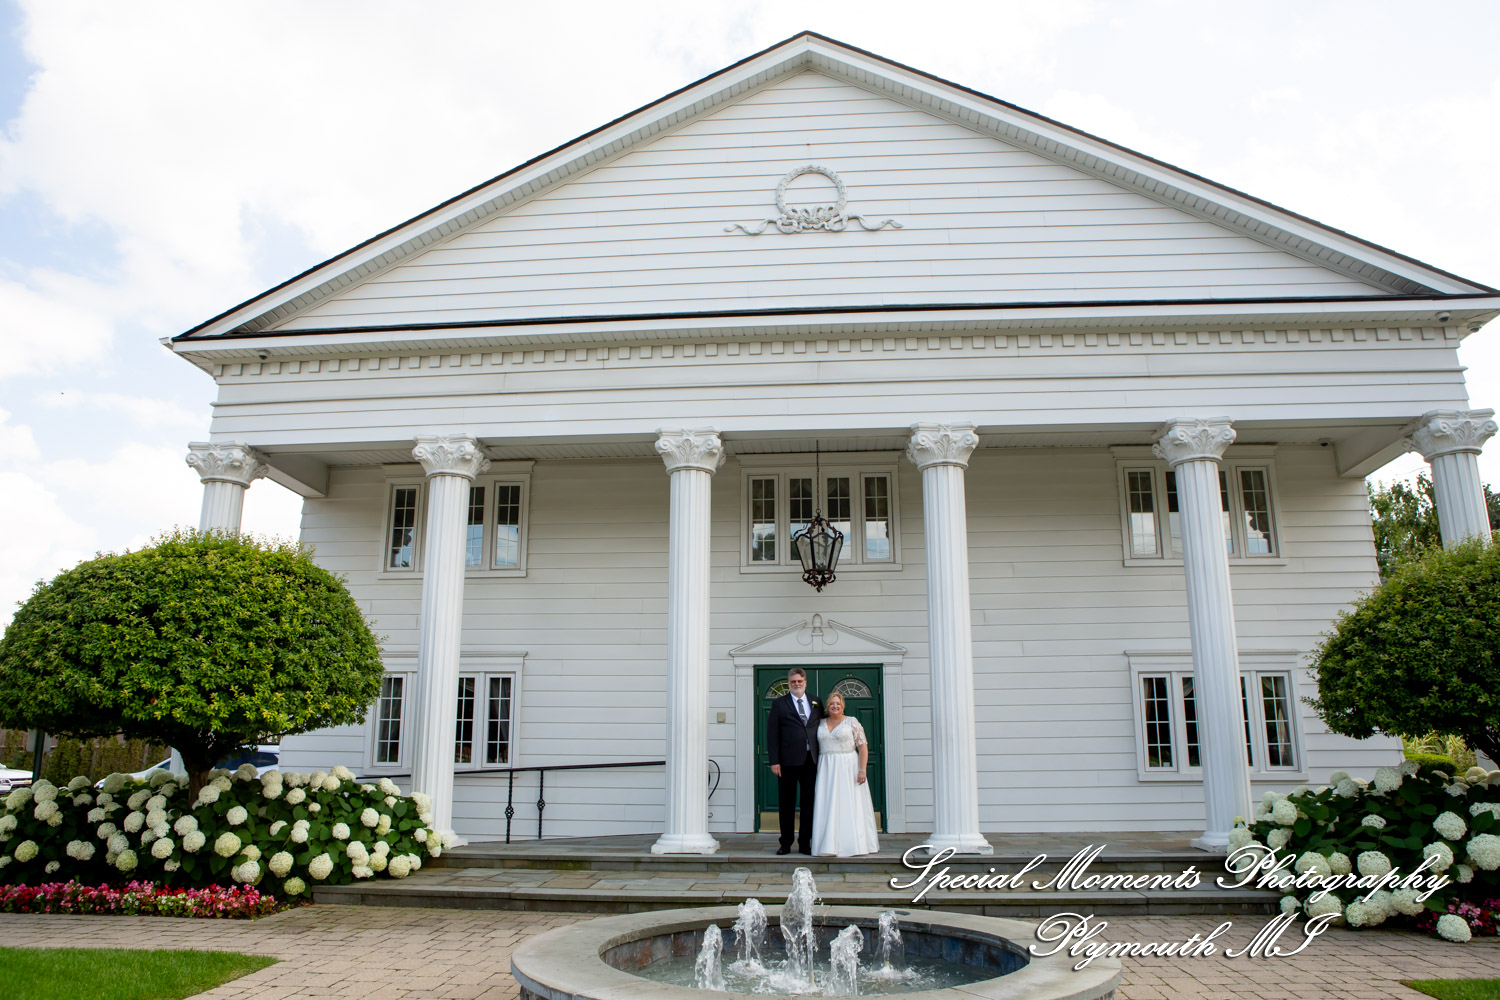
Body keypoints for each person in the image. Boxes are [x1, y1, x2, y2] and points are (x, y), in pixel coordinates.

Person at [810, 691, 880, 857]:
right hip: (826, 767)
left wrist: (862, 770)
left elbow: (862, 747)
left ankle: (851, 844)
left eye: (838, 704)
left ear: (843, 706)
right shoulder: (820, 723)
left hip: (848, 766)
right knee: (827, 803)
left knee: (848, 802)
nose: (835, 706)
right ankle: (826, 844)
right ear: (827, 706)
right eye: (832, 703)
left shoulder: (852, 722)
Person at [767, 667, 820, 855]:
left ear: (805, 682)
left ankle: (805, 843)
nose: (797, 684)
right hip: (787, 762)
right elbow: (772, 734)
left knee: (809, 803)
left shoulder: (816, 702)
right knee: (787, 804)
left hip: (811, 761)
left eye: (800, 681)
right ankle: (786, 843)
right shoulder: (779, 704)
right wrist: (774, 761)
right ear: (789, 683)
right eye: (793, 682)